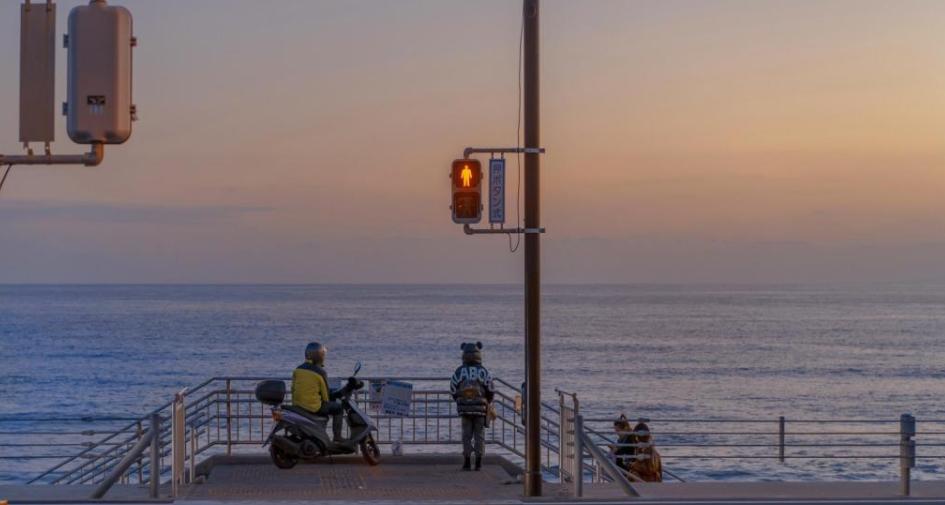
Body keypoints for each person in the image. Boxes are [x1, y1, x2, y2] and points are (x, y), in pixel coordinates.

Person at [450, 341, 495, 471]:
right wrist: (487, 401)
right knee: (479, 435)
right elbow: (491, 389)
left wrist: (459, 399)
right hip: (481, 409)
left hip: (464, 409)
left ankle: (467, 462)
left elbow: (453, 388)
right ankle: (479, 462)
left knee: (466, 435)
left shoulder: (459, 371)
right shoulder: (483, 371)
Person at [291, 342, 344, 442]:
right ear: (319, 356)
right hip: (313, 407)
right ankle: (337, 437)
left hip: (297, 406)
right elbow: (326, 396)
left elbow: (292, 389)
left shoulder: (297, 370)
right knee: (338, 408)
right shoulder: (320, 372)